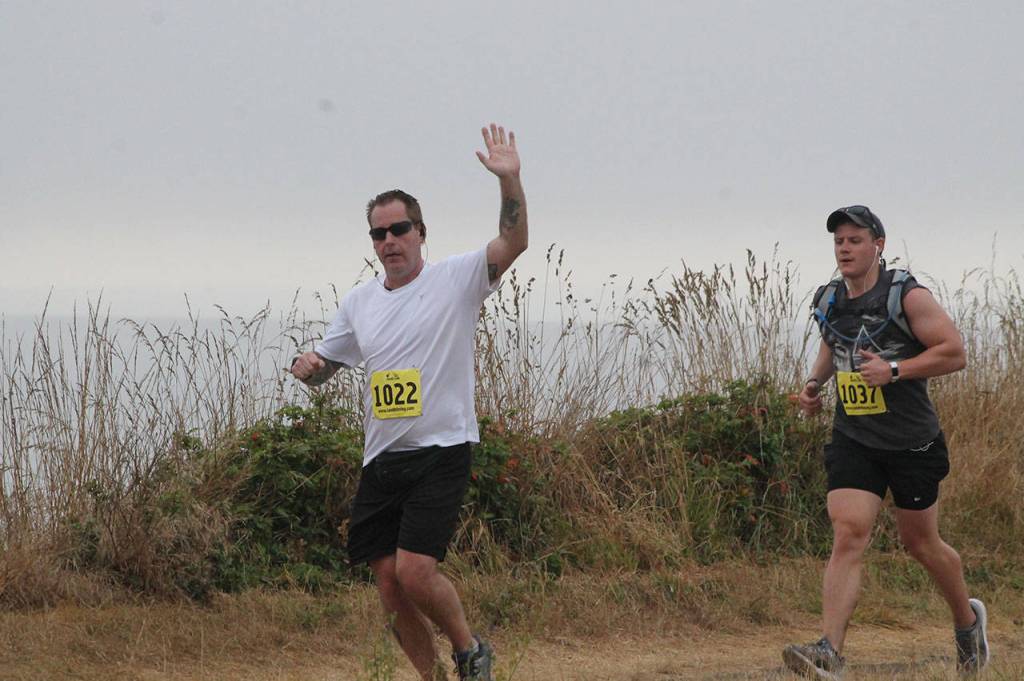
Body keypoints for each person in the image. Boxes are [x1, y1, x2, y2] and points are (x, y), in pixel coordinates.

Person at [290, 123, 527, 681]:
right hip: (382, 460)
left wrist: (509, 181)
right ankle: (432, 677)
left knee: (417, 573)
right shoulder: (358, 303)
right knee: (390, 587)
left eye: (399, 229)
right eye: (379, 234)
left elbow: (513, 243)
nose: (389, 241)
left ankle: (470, 652)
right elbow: (328, 366)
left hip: (441, 449)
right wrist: (310, 369)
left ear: (421, 233)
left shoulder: (456, 279)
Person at [782, 205, 988, 679]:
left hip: (912, 441)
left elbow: (955, 353)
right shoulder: (830, 298)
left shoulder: (907, 296)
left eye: (855, 240)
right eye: (839, 242)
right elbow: (834, 346)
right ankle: (829, 651)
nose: (845, 249)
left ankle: (967, 623)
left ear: (878, 244)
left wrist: (895, 371)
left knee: (922, 544)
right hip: (854, 437)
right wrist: (814, 386)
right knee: (849, 532)